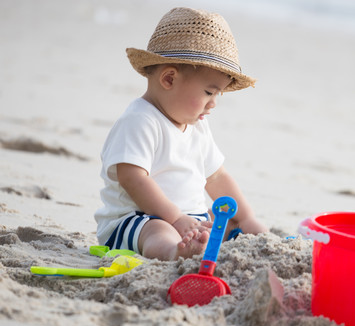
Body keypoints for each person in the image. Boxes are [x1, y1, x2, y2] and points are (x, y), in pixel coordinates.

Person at [94, 7, 267, 261]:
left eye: (218, 94)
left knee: (221, 223)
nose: (214, 103)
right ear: (169, 79)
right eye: (209, 92)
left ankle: (198, 242)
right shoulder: (140, 120)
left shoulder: (197, 126)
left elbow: (217, 176)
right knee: (159, 231)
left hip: (190, 219)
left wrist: (245, 217)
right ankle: (174, 252)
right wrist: (174, 218)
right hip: (137, 220)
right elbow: (132, 177)